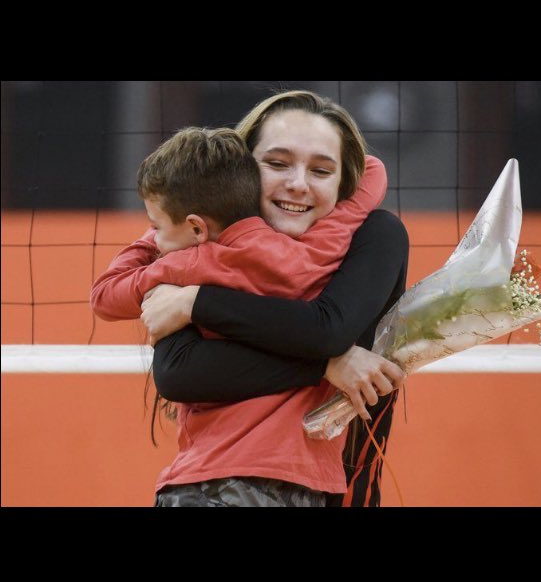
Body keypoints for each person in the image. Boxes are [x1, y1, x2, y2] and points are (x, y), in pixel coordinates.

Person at [91, 111, 404, 507]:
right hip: (232, 483)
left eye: (322, 170)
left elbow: (105, 295)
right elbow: (179, 374)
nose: (297, 184)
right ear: (245, 171)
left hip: (241, 485)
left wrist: (166, 236)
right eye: (276, 163)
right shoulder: (322, 247)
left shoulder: (193, 259)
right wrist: (326, 365)